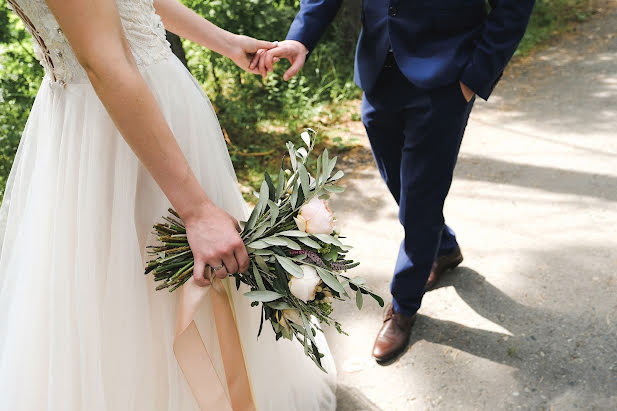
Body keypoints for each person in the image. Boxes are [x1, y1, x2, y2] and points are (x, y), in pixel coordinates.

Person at [0, 0, 336, 410]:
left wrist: (227, 42)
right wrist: (195, 209)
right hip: (116, 131)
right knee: (132, 284)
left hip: (137, 110)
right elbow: (104, 61)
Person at [252, 0, 535, 365]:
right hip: (378, 73)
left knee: (419, 202)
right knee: (405, 187)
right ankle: (443, 247)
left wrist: (476, 75)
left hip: (447, 77)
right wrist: (301, 39)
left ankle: (404, 305)